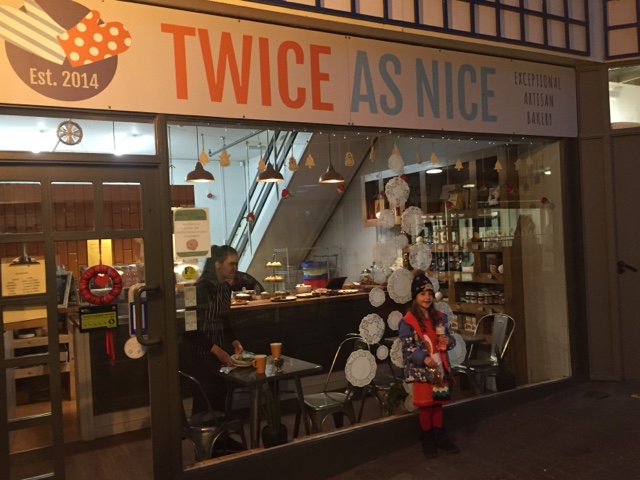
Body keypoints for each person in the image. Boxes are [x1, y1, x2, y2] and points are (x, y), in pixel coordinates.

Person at [399, 270, 460, 458]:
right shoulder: (408, 321)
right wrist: (424, 358)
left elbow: (447, 339)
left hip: (438, 367)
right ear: (415, 296)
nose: (427, 297)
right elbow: (407, 347)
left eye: (430, 294)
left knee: (437, 403)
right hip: (424, 369)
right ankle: (427, 439)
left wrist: (449, 341)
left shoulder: (438, 318)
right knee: (425, 405)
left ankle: (439, 436)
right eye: (422, 294)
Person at [179, 245, 245, 415]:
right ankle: (203, 430)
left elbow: (224, 318)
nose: (235, 268)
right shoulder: (199, 289)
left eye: (236, 264)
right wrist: (215, 350)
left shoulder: (225, 288)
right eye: (231, 264)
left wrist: (234, 340)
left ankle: (220, 431)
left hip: (218, 348)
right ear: (217, 264)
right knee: (204, 397)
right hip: (198, 351)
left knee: (220, 393)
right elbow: (190, 329)